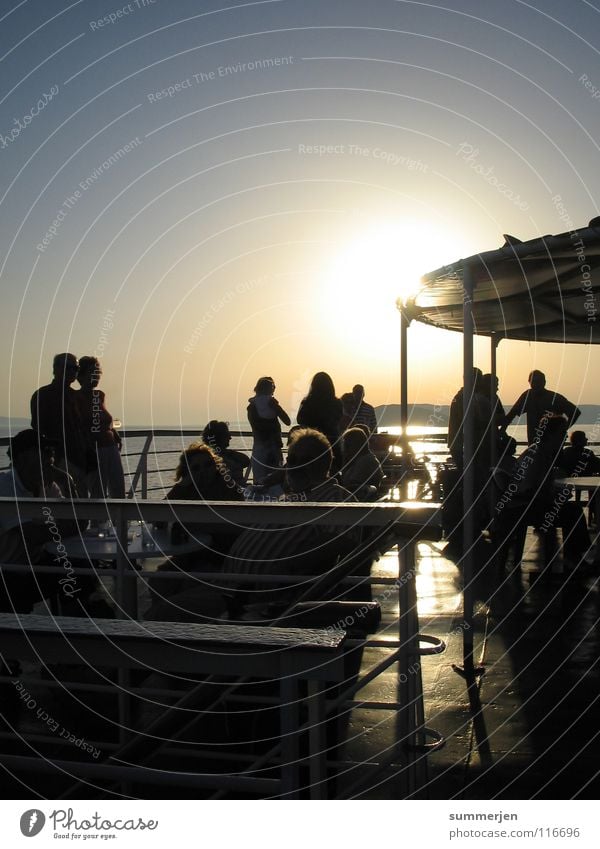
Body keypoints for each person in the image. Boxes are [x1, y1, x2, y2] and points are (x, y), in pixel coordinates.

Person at [0, 430, 69, 612]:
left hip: (34, 564)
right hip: (7, 571)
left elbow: (72, 517)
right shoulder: (5, 488)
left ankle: (79, 626)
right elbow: (32, 535)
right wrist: (73, 526)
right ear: (23, 459)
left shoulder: (48, 486)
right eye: (44, 451)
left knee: (80, 571)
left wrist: (68, 481)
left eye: (52, 451)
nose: (51, 456)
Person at [30, 353, 87, 495]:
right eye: (69, 367)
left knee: (82, 506)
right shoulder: (43, 395)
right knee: (65, 507)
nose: (73, 371)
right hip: (59, 461)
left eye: (76, 368)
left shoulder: (77, 397)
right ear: (56, 369)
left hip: (80, 461)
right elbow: (39, 429)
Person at [76, 356, 125, 499]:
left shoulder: (99, 395)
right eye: (92, 372)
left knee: (118, 488)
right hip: (94, 450)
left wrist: (113, 431)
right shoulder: (76, 397)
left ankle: (120, 521)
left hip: (111, 447)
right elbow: (79, 424)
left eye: (97, 372)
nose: (96, 376)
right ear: (82, 375)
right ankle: (99, 522)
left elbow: (103, 419)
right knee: (98, 493)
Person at [503, 370, 581, 446]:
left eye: (538, 381)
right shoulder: (528, 396)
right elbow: (511, 415)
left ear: (544, 382)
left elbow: (575, 412)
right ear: (529, 382)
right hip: (534, 444)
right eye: (534, 381)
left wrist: (563, 429)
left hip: (552, 445)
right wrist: (501, 432)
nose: (536, 384)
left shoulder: (554, 398)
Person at [247, 376, 291, 484]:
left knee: (260, 480)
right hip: (272, 448)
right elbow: (287, 421)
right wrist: (276, 408)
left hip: (262, 447)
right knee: (276, 481)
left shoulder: (252, 407)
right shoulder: (256, 407)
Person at [297, 372, 343, 470]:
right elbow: (339, 421)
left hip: (311, 443)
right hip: (332, 442)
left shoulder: (308, 402)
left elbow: (299, 419)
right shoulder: (337, 403)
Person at [559, 430, 600, 526]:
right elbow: (597, 464)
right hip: (585, 480)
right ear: (580, 440)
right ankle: (595, 515)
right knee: (596, 491)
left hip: (569, 480)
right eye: (584, 437)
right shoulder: (587, 453)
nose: (586, 439)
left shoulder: (567, 451)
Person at [202, 420, 250, 490]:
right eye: (227, 434)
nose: (230, 437)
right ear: (219, 436)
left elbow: (246, 461)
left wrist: (226, 452)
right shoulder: (207, 458)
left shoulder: (228, 455)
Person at [341, 427, 384, 499]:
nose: (345, 449)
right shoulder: (364, 459)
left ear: (355, 444)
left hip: (360, 500)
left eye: (347, 445)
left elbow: (351, 485)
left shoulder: (365, 462)